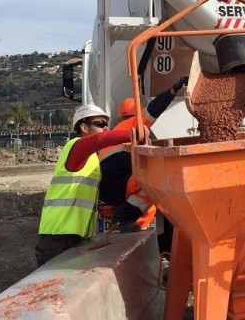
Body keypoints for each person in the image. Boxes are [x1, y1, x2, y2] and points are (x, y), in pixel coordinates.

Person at [34, 104, 132, 267]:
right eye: (100, 124)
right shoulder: (75, 146)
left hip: (76, 235)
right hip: (58, 237)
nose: (106, 128)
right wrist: (132, 134)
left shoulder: (91, 157)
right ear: (84, 127)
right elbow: (100, 139)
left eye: (106, 124)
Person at [97, 77, 188, 250]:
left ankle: (127, 222)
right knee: (155, 183)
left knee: (146, 181)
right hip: (117, 179)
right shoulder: (136, 126)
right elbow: (153, 111)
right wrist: (172, 90)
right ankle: (124, 218)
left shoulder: (115, 131)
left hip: (107, 188)